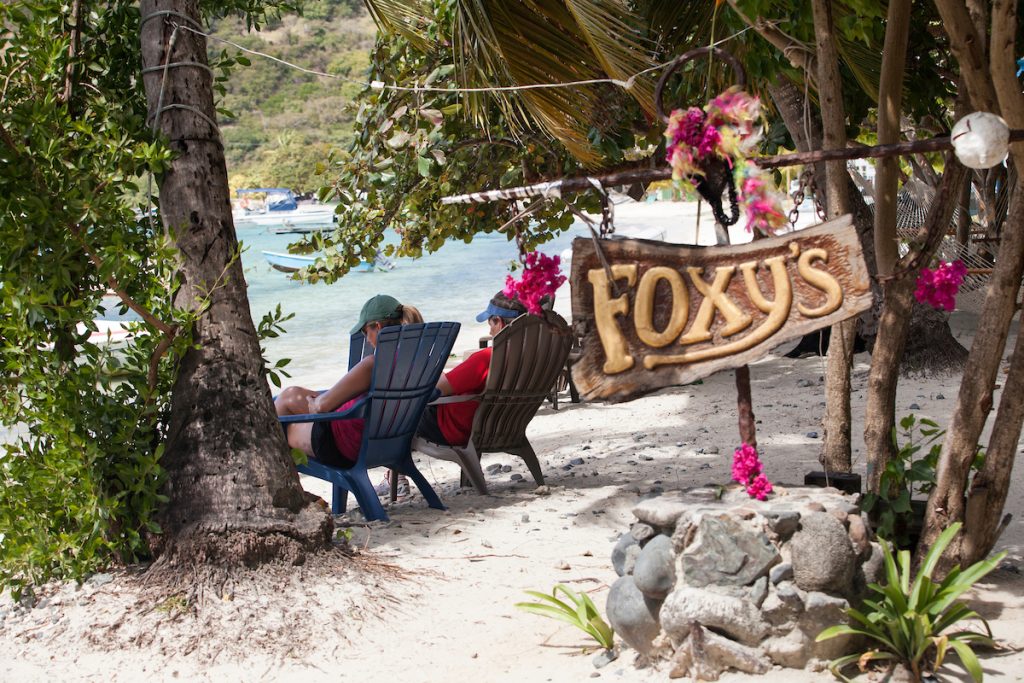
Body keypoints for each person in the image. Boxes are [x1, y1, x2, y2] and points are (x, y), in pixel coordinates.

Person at [275, 294, 423, 479]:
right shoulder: (416, 363)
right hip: (389, 442)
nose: (367, 339)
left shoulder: (373, 365)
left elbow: (321, 407)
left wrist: (313, 403)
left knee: (277, 423)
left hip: (345, 445)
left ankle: (284, 485)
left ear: (376, 327)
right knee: (291, 396)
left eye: (364, 331)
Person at [416, 290, 527, 448]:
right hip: (507, 429)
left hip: (454, 430)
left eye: (491, 324)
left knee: (399, 415)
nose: (490, 331)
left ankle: (396, 471)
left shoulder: (488, 358)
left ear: (499, 321)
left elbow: (436, 389)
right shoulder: (531, 358)